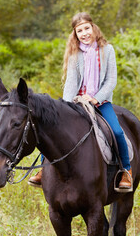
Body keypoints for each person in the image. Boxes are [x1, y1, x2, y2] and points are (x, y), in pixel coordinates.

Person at [29, 12, 132, 190]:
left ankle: (126, 171)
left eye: (86, 28)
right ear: (75, 34)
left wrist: (95, 98)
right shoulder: (75, 54)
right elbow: (71, 82)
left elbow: (110, 81)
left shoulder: (108, 50)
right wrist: (67, 105)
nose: (84, 33)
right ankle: (43, 169)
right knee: (54, 128)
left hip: (100, 102)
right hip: (77, 102)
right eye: (79, 31)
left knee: (117, 132)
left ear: (93, 27)